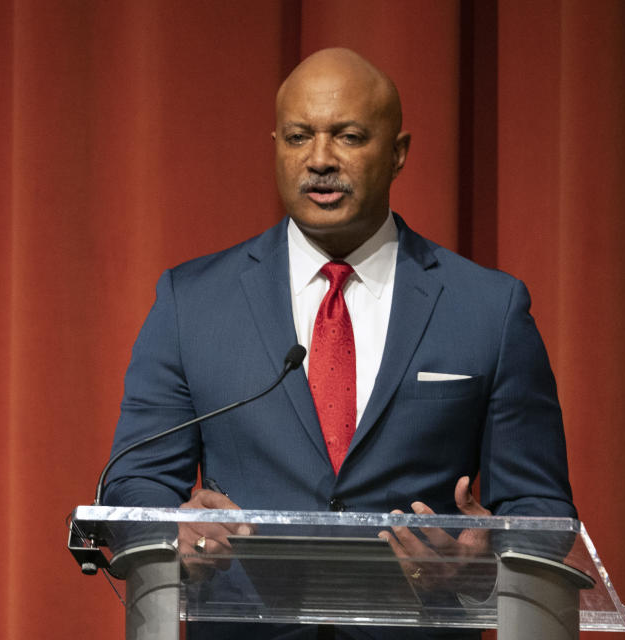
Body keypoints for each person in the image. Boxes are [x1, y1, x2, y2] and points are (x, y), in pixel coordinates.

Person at [104, 48, 575, 639]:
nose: (319, 160)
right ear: (275, 145)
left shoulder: (488, 309)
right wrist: (174, 528)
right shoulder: (191, 302)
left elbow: (542, 508)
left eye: (348, 137)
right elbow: (132, 482)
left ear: (399, 153)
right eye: (299, 137)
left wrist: (482, 565)